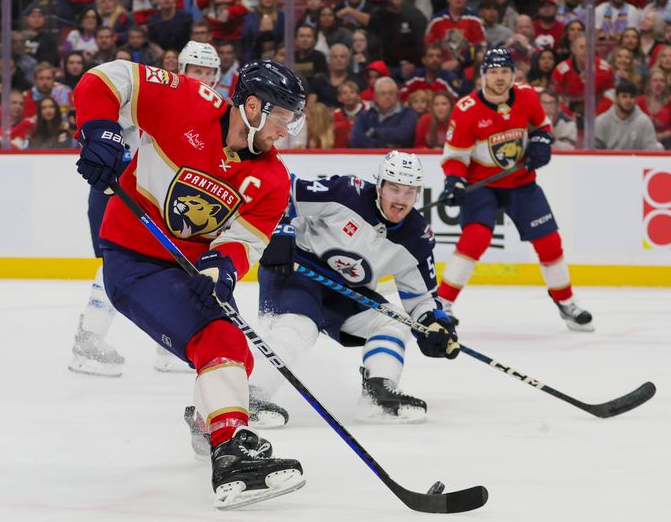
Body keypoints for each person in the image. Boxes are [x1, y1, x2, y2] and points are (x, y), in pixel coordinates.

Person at [73, 57, 307, 507]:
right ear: (253, 107)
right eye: (282, 118)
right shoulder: (187, 102)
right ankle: (231, 449)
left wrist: (222, 266)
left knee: (236, 352)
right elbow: (106, 78)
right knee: (220, 340)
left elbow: (246, 239)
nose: (285, 130)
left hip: (188, 268)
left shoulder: (273, 178)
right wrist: (101, 130)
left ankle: (209, 424)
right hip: (133, 262)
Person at [238, 151, 459, 429]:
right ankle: (247, 397)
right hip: (296, 270)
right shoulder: (346, 192)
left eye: (409, 191)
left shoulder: (417, 236)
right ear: (379, 185)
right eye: (394, 188)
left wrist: (433, 324)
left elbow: (421, 298)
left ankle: (378, 395)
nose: (400, 199)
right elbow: (286, 190)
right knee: (298, 328)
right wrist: (281, 231)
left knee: (393, 323)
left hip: (346, 292)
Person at [69, 39, 223, 378]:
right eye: (195, 70)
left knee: (180, 268)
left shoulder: (219, 112)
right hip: (128, 191)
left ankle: (170, 346)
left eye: (209, 72)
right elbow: (108, 97)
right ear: (181, 70)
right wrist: (104, 142)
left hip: (173, 203)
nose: (202, 77)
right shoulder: (164, 93)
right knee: (116, 262)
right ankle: (88, 338)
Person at [438, 47, 594, 332]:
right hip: (481, 186)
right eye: (494, 72)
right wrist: (455, 181)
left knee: (549, 242)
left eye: (505, 71)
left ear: (513, 74)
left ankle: (566, 302)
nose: (500, 77)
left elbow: (542, 128)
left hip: (520, 181)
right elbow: (455, 157)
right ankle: (442, 305)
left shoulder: (527, 96)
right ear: (484, 75)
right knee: (475, 239)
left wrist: (541, 144)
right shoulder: (466, 111)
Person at [350, 76, 418, 148]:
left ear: (397, 95)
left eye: (391, 93)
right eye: (383, 93)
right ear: (375, 96)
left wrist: (374, 132)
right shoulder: (364, 115)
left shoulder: (408, 113)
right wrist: (382, 145)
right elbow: (356, 140)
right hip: (370, 157)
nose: (387, 96)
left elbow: (402, 135)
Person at [594, 79, 663, 150]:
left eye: (632, 97)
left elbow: (650, 149)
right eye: (624, 96)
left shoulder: (644, 122)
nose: (628, 100)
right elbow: (593, 150)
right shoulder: (601, 121)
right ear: (616, 98)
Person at [637, 68, 671, 148]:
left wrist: (661, 136)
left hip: (664, 142)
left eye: (662, 80)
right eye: (655, 80)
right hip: (641, 141)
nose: (658, 84)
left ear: (666, 84)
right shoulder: (639, 101)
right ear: (649, 84)